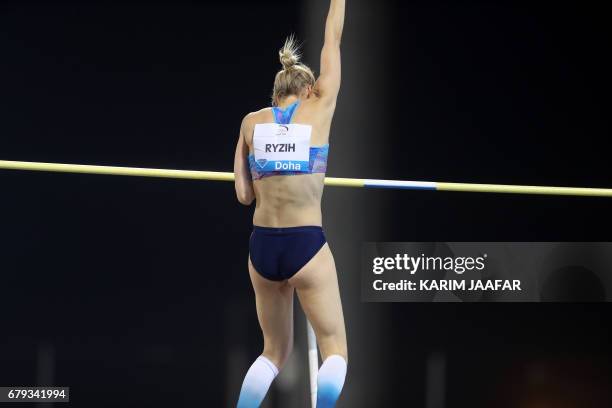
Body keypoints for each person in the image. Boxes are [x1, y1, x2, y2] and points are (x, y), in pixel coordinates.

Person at [233, 0, 347, 406]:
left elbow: (244, 195)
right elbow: (332, 39)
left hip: (263, 247)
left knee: (273, 354)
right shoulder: (319, 107)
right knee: (335, 350)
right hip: (305, 245)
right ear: (308, 89)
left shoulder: (251, 122)